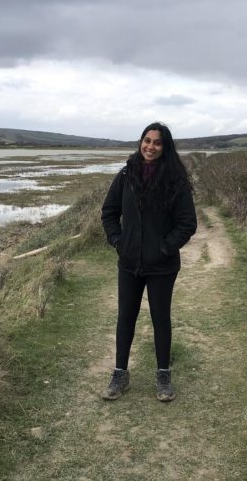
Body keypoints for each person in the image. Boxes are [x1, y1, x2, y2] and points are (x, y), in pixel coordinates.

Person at [101, 122, 197, 402]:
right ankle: (120, 373)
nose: (150, 146)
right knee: (125, 318)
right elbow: (108, 212)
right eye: (146, 140)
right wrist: (119, 242)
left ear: (164, 147)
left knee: (160, 318)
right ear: (140, 142)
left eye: (157, 142)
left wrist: (165, 248)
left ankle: (163, 374)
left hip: (162, 265)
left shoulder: (175, 180)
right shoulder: (126, 174)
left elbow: (187, 223)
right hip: (129, 262)